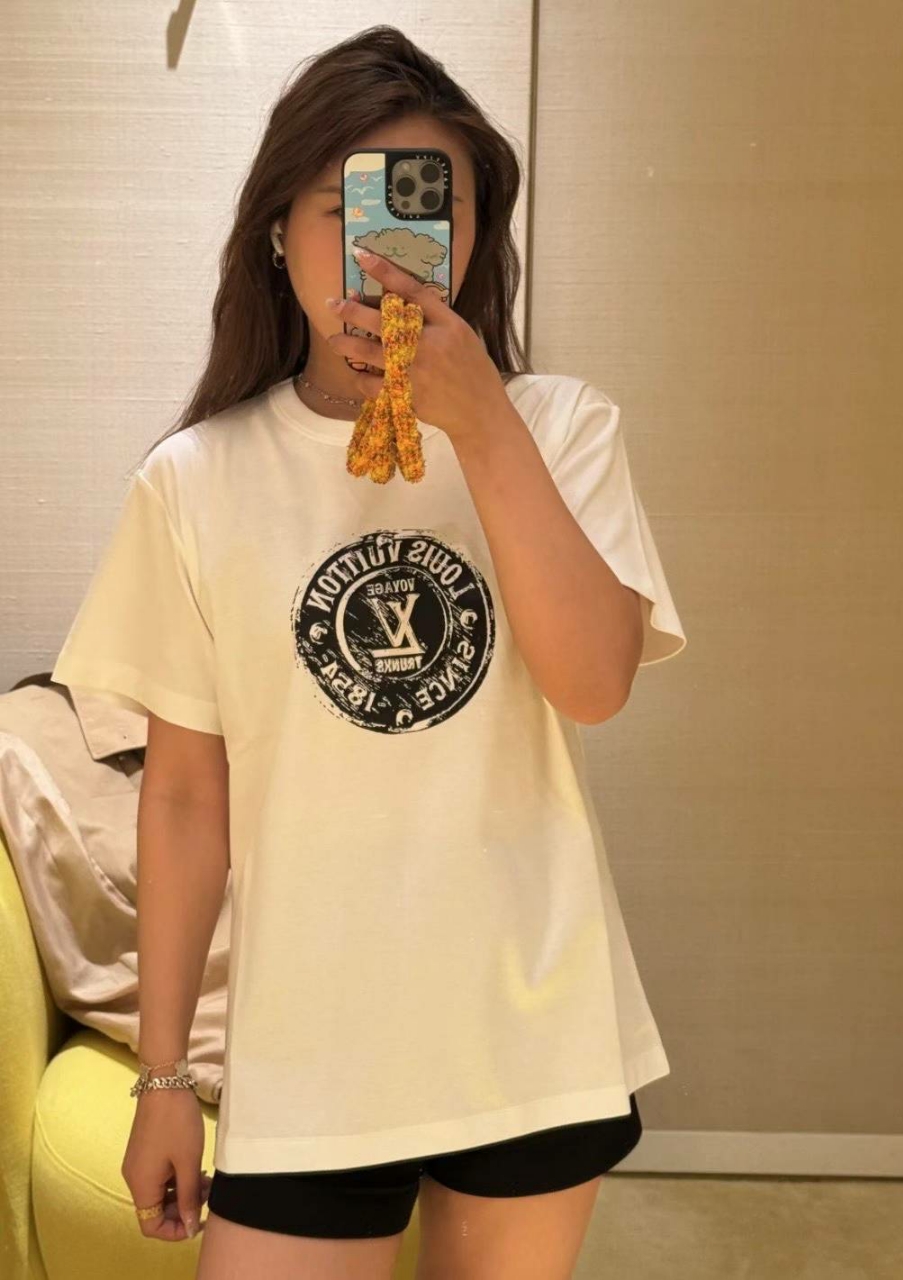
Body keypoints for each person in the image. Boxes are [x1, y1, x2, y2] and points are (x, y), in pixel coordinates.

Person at [50, 24, 687, 1280]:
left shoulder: (557, 426)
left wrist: (482, 424)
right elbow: (183, 800)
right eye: (348, 211)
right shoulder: (195, 479)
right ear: (275, 233)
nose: (388, 253)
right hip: (312, 1045)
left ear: (473, 234)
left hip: (531, 1021)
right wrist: (163, 1076)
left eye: (429, 213)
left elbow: (592, 683)